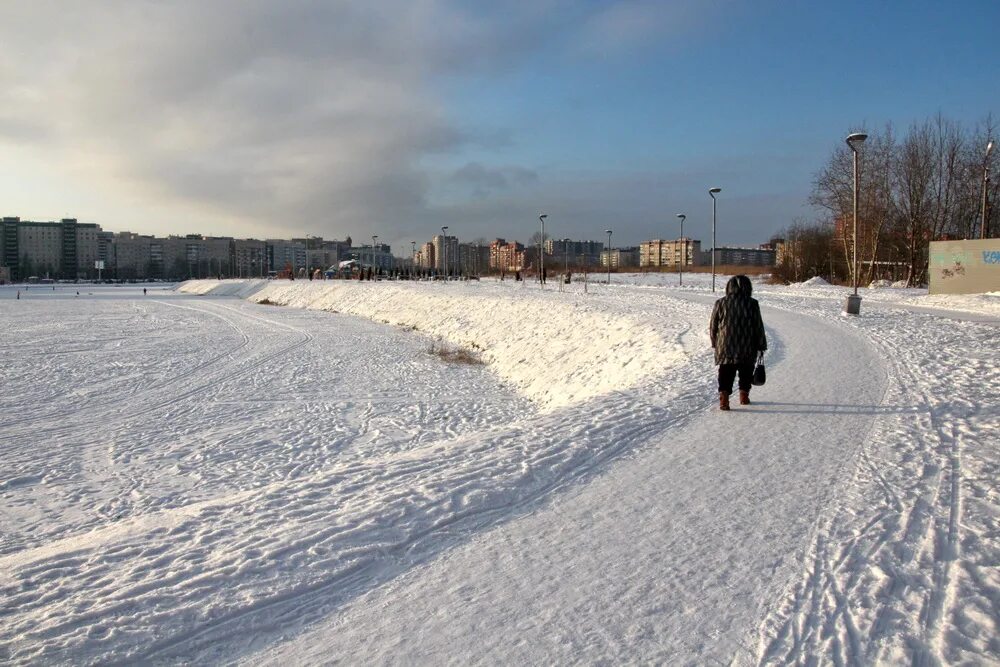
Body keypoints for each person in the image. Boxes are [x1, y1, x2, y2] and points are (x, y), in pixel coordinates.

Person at [709, 275, 767, 411]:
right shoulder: (752, 303)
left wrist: (714, 342)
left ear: (728, 287)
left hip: (725, 345)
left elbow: (713, 325)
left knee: (725, 372)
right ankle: (744, 396)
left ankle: (724, 399)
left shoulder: (720, 303)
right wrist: (761, 345)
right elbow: (758, 326)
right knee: (746, 371)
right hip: (747, 344)